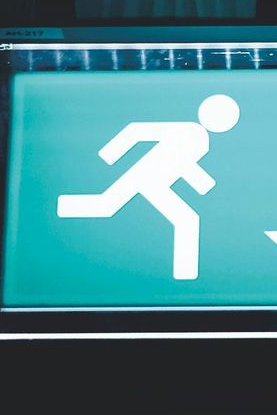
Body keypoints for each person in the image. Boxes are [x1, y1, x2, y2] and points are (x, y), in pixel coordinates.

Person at [57, 94, 240, 280]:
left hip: (159, 184)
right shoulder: (187, 131)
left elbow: (184, 164)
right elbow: (137, 132)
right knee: (106, 205)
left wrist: (201, 184)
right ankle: (60, 211)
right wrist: (111, 153)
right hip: (143, 176)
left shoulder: (199, 139)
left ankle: (185, 274)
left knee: (186, 220)